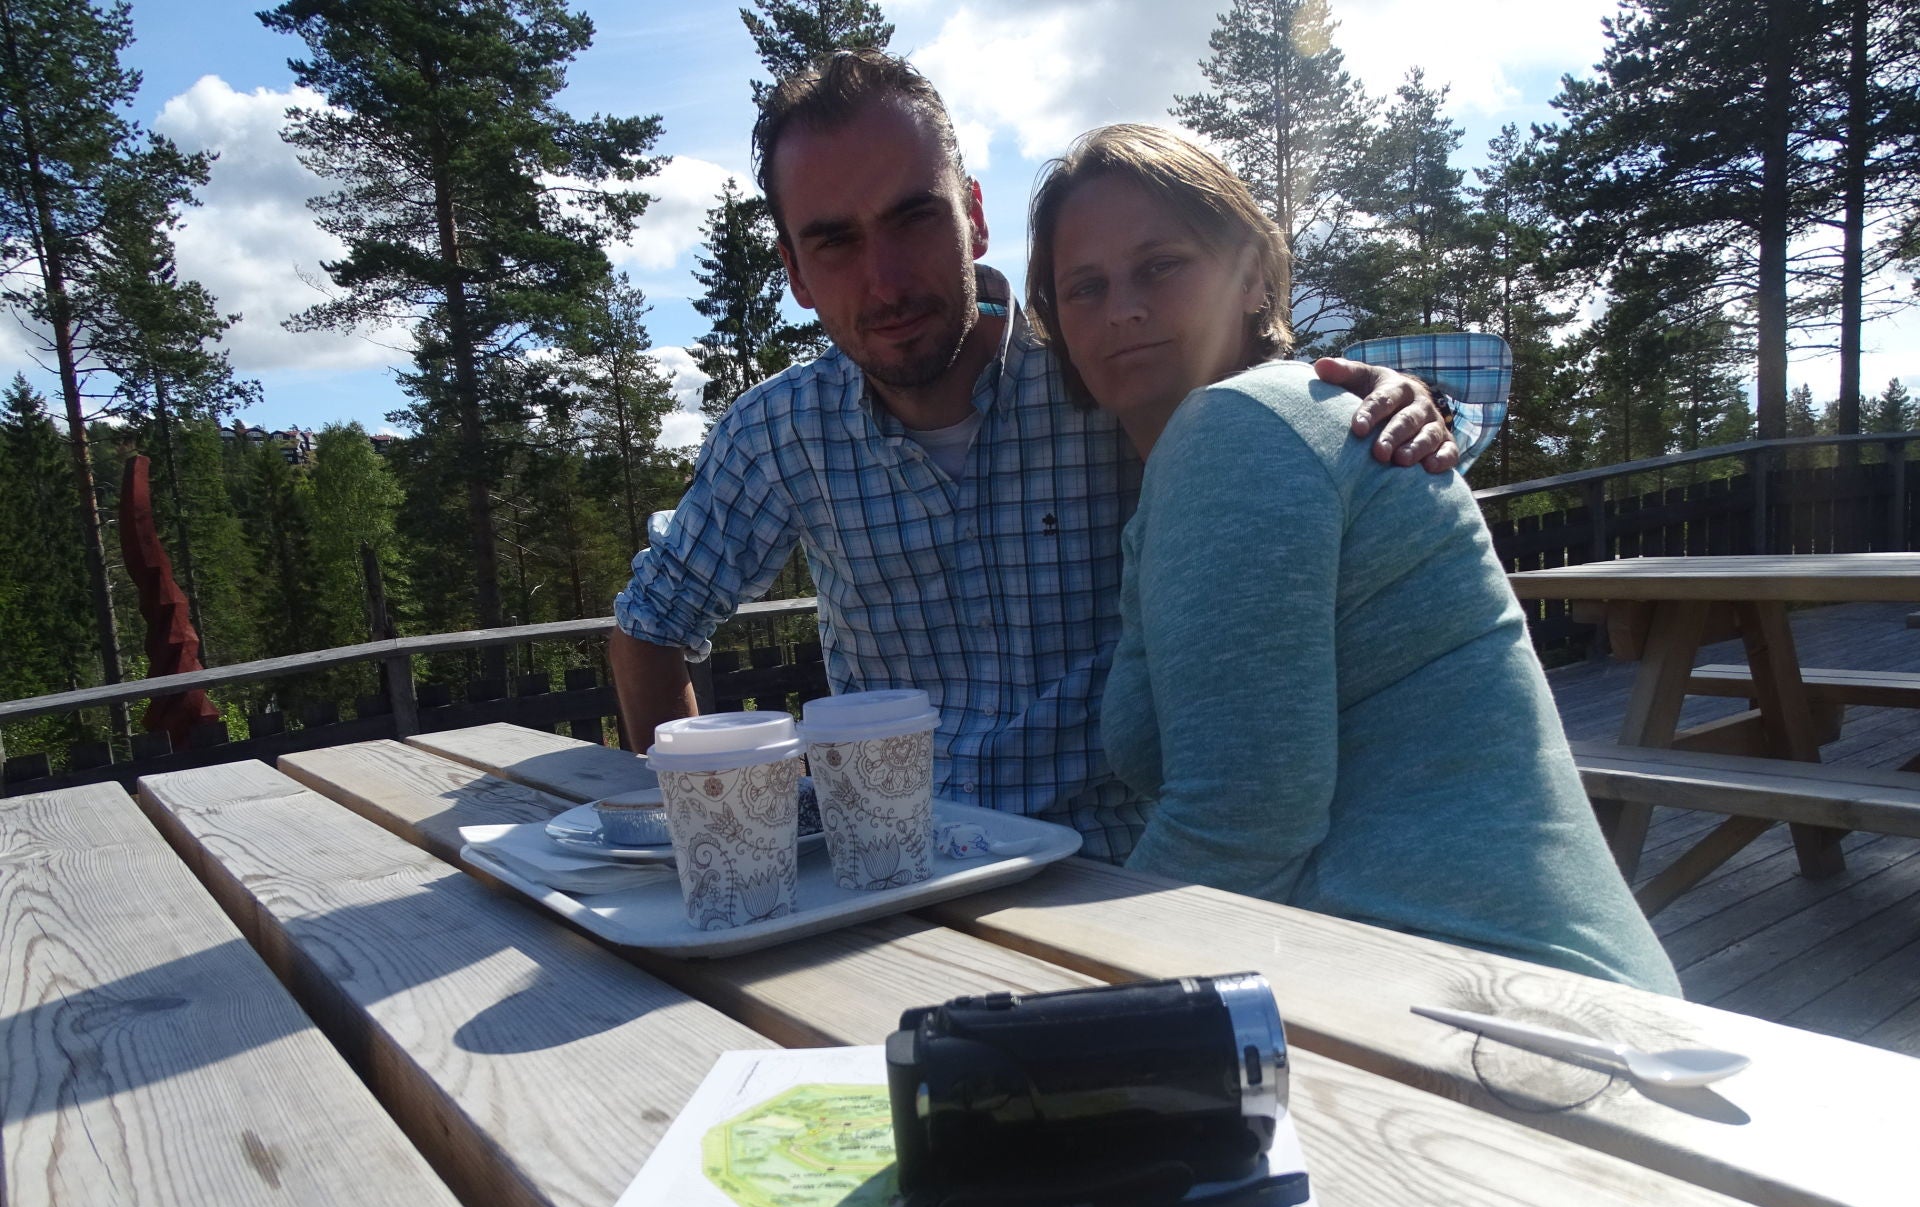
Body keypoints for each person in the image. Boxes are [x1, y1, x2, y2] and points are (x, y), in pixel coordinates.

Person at [610, 50, 1492, 864]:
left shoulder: (1102, 360)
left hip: (1127, 871)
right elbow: (652, 626)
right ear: (797, 274)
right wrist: (703, 837)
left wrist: (1398, 395)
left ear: (974, 216)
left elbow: (1274, 408)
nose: (885, 281)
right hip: (894, 882)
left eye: (914, 218)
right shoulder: (779, 432)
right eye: (836, 242)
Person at [1025, 123, 1676, 992]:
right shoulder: (1266, 424)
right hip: (1448, 982)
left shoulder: (1234, 431)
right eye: (1085, 287)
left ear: (1254, 275)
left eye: (1161, 266)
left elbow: (1239, 828)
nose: (1123, 310)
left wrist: (1056, 1000)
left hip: (1499, 1007)